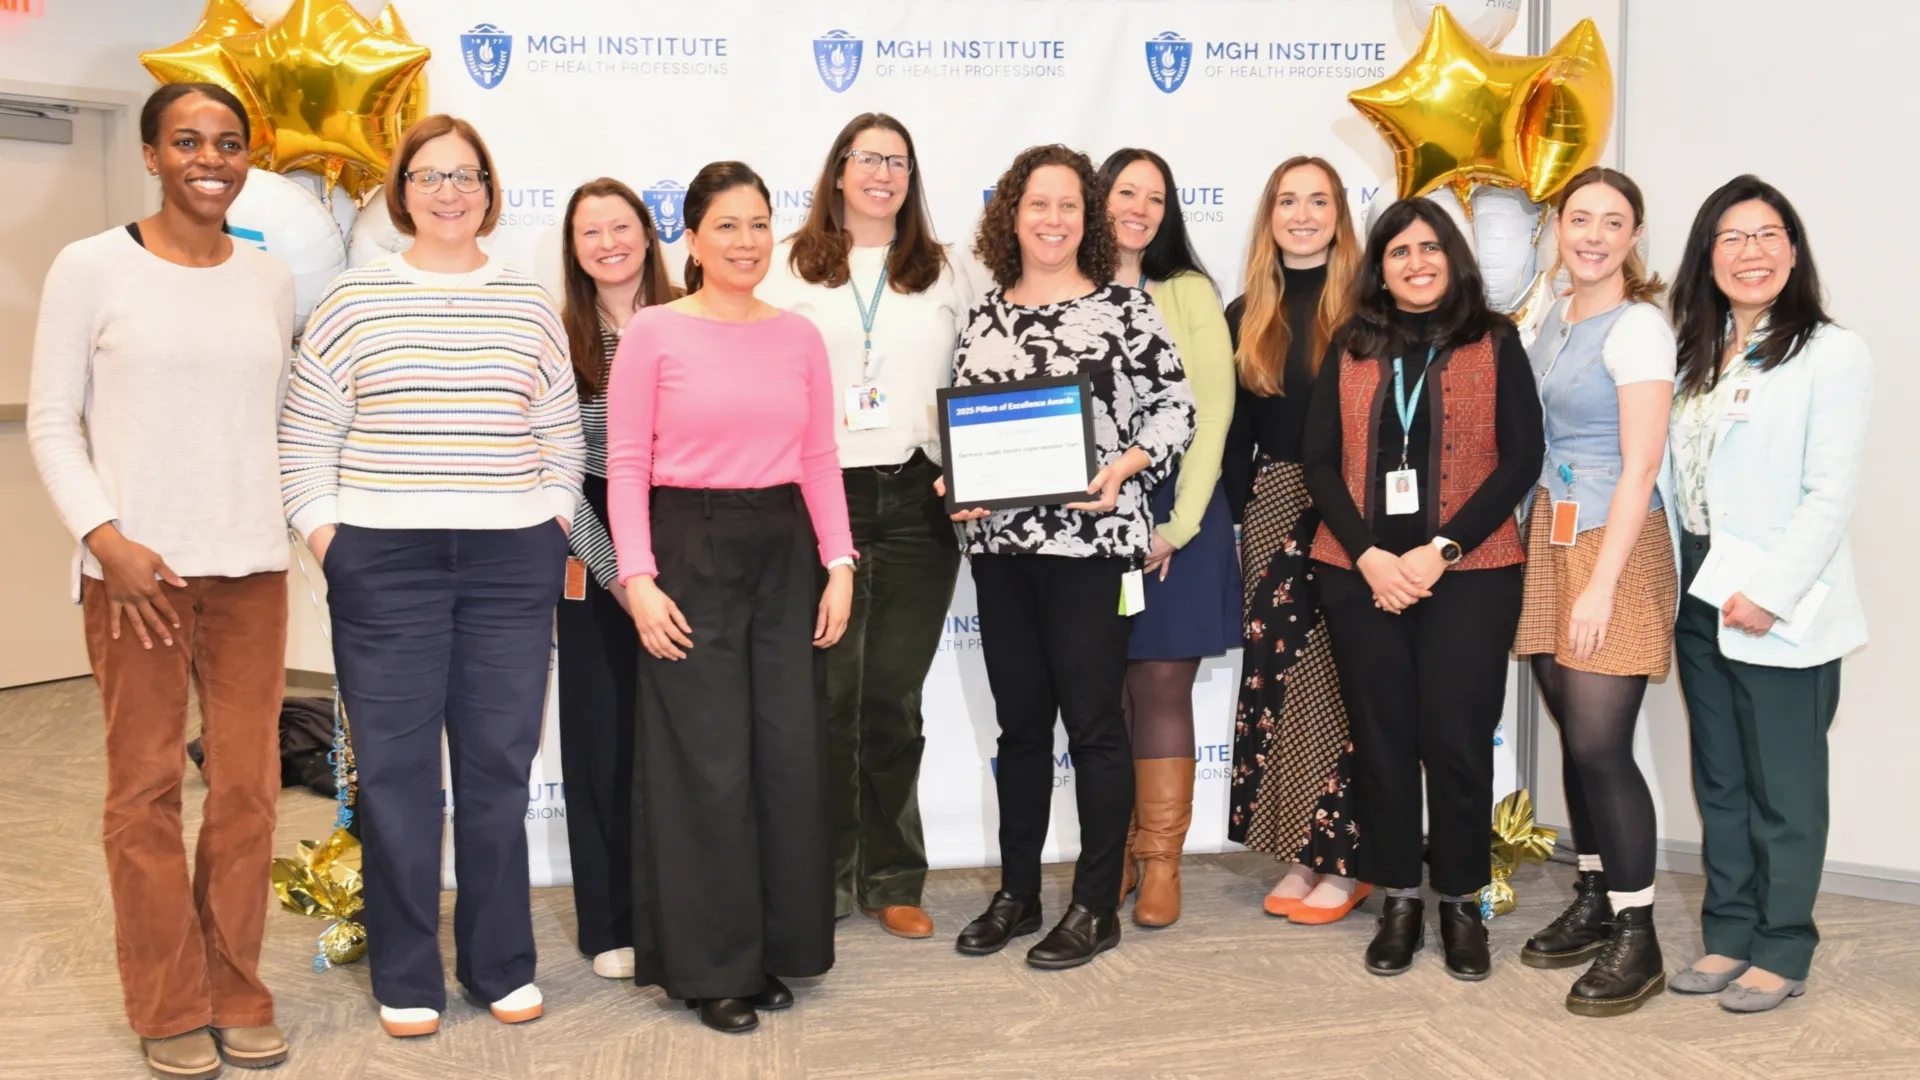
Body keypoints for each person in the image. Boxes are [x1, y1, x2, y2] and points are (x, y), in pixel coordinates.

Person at [279, 115, 585, 1038]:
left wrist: (550, 528)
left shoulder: (529, 302)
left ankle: (500, 965)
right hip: (385, 564)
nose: (449, 192)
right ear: (400, 192)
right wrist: (334, 543)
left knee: (498, 773)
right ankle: (406, 974)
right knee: (396, 778)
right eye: (429, 175)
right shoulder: (352, 299)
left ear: (489, 191)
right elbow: (305, 438)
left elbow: (562, 437)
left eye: (466, 175)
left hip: (509, 563)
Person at [27, 81, 294, 1080]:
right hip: (136, 575)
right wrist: (107, 539)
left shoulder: (269, 278)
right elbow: (52, 421)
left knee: (248, 793)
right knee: (144, 793)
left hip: (251, 573)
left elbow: (271, 420)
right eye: (187, 141)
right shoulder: (90, 266)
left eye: (227, 142)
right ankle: (168, 1003)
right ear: (151, 155)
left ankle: (236, 988)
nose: (209, 160)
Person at [606, 161, 856, 1034]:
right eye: (726, 226)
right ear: (692, 238)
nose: (746, 242)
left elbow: (818, 458)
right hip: (688, 546)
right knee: (705, 763)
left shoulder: (799, 335)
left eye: (757, 224)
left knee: (786, 753)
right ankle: (714, 967)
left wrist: (841, 562)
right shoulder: (654, 332)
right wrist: (637, 578)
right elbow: (627, 464)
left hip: (785, 548)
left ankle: (774, 949)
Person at [949, 145, 1195, 969]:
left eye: (1067, 205)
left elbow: (1176, 410)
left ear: (1086, 219)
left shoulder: (1126, 309)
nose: (1052, 220)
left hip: (1093, 549)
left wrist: (1125, 467)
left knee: (1093, 727)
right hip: (1002, 551)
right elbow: (965, 430)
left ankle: (1094, 905)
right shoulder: (983, 317)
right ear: (1011, 216)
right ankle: (1018, 894)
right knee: (1020, 729)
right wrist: (957, 483)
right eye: (1037, 204)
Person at [1302, 198, 1543, 980]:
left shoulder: (1494, 339)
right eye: (1399, 251)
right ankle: (1400, 899)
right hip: (1360, 575)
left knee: (1458, 742)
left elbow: (1521, 458)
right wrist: (1369, 556)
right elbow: (1319, 461)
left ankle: (1462, 902)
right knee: (1382, 742)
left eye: (1430, 247)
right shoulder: (1352, 343)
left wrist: (1441, 550)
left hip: (1469, 575)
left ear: (1453, 257)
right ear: (1380, 267)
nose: (1416, 262)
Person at [759, 114, 971, 941]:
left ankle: (892, 877)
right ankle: (822, 875)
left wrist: (972, 466)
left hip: (920, 499)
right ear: (839, 170)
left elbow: (977, 377)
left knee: (892, 698)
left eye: (898, 161)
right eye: (868, 158)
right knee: (828, 697)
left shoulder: (946, 268)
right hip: (820, 496)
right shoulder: (787, 264)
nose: (883, 173)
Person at [1664, 176, 1871, 1013]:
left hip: (1779, 599)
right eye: (1732, 238)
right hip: (1697, 586)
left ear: (1793, 249)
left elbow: (1830, 493)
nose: (1751, 252)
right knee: (1721, 779)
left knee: (1785, 788)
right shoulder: (1696, 352)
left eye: (1768, 234)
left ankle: (1783, 947)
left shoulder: (1831, 352)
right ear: (1707, 257)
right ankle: (1729, 933)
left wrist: (1771, 591)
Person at [1512, 167, 1678, 1016]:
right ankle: (1595, 894)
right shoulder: (1554, 312)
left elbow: (1642, 465)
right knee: (1575, 741)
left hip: (1614, 544)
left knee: (1602, 745)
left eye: (1614, 222)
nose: (1594, 235)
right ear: (1558, 226)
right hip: (1552, 532)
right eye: (1581, 218)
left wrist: (1602, 587)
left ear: (1634, 237)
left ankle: (1638, 935)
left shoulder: (1639, 326)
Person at [1094, 147, 1238, 929]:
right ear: (1100, 198)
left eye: (1155, 197)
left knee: (1157, 683)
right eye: (1126, 192)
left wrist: (1176, 526)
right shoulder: (1068, 288)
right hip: (1089, 521)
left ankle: (1160, 862)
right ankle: (1112, 851)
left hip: (1181, 514)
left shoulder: (1187, 291)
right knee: (1103, 687)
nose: (1140, 209)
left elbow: (1213, 413)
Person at [1220, 156, 1365, 925]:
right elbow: (1231, 435)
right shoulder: (1247, 312)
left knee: (1346, 681)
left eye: (1318, 201)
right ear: (1269, 216)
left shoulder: (1372, 309)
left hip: (1358, 512)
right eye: (1287, 201)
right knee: (1279, 685)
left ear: (1340, 215)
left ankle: (1347, 860)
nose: (1302, 215)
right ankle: (1301, 854)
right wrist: (1237, 522)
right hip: (1274, 507)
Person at [554, 178, 677, 981]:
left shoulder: (690, 318)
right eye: (590, 232)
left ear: (647, 234)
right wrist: (621, 579)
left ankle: (682, 910)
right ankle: (610, 921)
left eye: (620, 226)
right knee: (603, 741)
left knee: (680, 740)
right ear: (573, 249)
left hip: (686, 537)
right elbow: (560, 473)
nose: (608, 243)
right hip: (592, 548)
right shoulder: (560, 335)